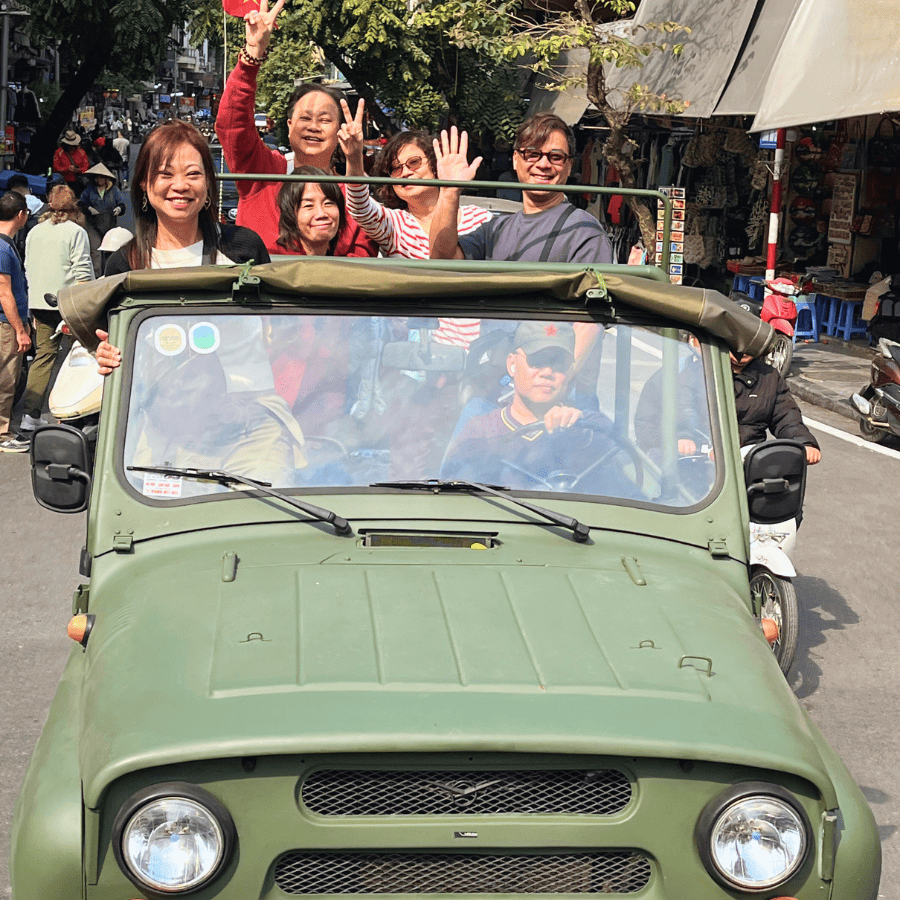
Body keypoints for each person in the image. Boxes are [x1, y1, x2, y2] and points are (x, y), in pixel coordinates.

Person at [95, 120, 270, 374]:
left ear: (208, 182)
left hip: (245, 404)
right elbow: (112, 343)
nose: (180, 185)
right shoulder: (125, 265)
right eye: (165, 174)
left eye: (193, 174)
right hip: (157, 407)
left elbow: (274, 330)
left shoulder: (243, 249)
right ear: (144, 182)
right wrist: (105, 356)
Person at [214, 0, 376, 257]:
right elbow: (232, 125)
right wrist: (252, 55)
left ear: (339, 131)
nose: (313, 127)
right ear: (289, 126)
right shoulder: (263, 173)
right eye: (305, 118)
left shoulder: (354, 194)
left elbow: (363, 257)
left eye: (324, 120)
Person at [339, 105, 493, 348]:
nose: (405, 173)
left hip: (482, 352)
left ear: (435, 165)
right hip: (421, 355)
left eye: (414, 163)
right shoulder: (395, 226)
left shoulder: (481, 219)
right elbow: (359, 207)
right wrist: (354, 157)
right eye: (395, 169)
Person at [442, 321, 620, 490]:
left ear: (570, 370)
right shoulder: (481, 429)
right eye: (537, 360)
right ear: (512, 364)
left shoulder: (589, 426)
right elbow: (453, 493)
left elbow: (625, 481)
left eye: (559, 363)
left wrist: (579, 430)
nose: (548, 372)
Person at [430, 114, 613, 264]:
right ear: (516, 160)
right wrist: (448, 192)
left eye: (555, 157)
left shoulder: (584, 231)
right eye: (532, 154)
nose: (543, 164)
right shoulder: (495, 230)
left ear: (569, 166)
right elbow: (442, 260)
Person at [19, 185, 94, 432]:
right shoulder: (76, 232)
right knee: (82, 356)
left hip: (40, 303)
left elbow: (28, 268)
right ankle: (74, 415)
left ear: (49, 204)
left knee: (44, 357)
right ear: (73, 205)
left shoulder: (35, 232)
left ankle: (30, 416)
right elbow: (82, 271)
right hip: (69, 302)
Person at [731, 351, 821, 464]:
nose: (743, 349)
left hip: (750, 459)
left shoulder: (769, 376)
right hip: (709, 457)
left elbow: (785, 416)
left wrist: (804, 443)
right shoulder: (703, 368)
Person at [0, 191, 31, 452]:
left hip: (7, 321)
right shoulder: (2, 247)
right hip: (5, 324)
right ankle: (2, 433)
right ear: (21, 215)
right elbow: (4, 291)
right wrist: (20, 329)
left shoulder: (6, 244)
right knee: (6, 379)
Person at [276, 168, 345, 256]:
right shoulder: (276, 263)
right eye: (308, 206)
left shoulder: (345, 264)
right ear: (290, 215)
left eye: (328, 203)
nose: (321, 214)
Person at [79, 163, 126, 237]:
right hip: (93, 222)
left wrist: (119, 208)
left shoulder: (114, 190)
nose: (99, 180)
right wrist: (89, 208)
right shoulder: (89, 189)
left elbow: (121, 204)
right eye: (97, 178)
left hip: (109, 222)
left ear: (106, 178)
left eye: (101, 178)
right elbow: (81, 202)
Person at [52, 130, 90, 195]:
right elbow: (55, 168)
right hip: (63, 183)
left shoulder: (82, 152)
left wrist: (78, 170)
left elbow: (86, 167)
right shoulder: (59, 152)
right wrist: (67, 168)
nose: (71, 147)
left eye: (73, 145)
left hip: (78, 183)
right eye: (69, 145)